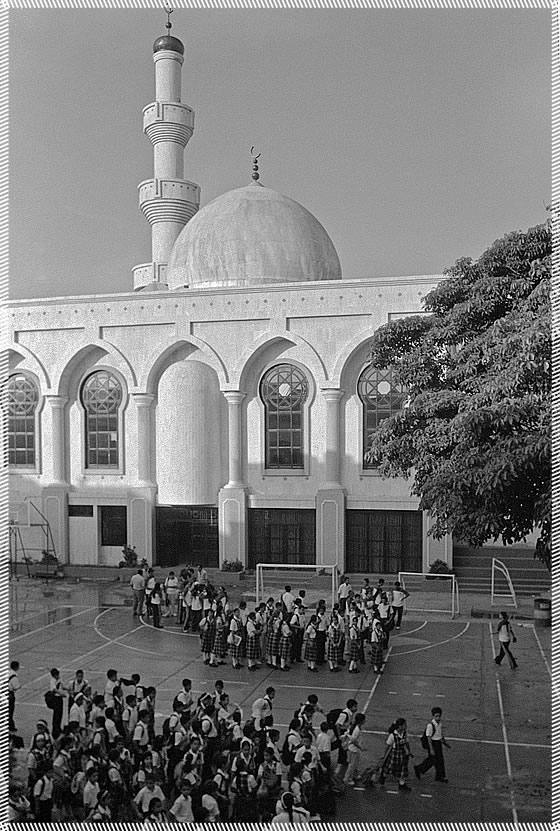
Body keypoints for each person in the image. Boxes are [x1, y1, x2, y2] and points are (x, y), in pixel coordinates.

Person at [414, 706, 451, 782]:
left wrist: (444, 742)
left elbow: (440, 734)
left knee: (439, 761)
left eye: (439, 716)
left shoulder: (439, 724)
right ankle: (420, 769)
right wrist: (431, 749)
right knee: (433, 760)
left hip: (438, 743)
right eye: (436, 716)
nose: (438, 718)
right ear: (433, 716)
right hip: (433, 744)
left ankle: (440, 776)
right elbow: (428, 737)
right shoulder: (430, 725)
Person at [380, 717, 412, 791]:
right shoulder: (393, 735)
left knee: (403, 769)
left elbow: (407, 743)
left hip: (403, 754)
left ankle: (402, 784)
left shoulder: (405, 734)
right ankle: (383, 775)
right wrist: (384, 755)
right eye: (404, 725)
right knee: (390, 768)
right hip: (395, 754)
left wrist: (409, 751)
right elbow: (388, 746)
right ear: (400, 726)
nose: (406, 726)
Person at [343, 712, 365, 786]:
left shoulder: (355, 727)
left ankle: (354, 775)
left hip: (352, 749)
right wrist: (360, 747)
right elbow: (353, 740)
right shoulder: (356, 730)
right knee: (352, 764)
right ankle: (347, 778)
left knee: (355, 762)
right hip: (353, 749)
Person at [48, 667, 66, 739]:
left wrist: (68, 689)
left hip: (60, 699)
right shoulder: (53, 681)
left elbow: (63, 686)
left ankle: (58, 728)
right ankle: (55, 731)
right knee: (56, 716)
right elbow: (54, 689)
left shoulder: (59, 680)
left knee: (60, 714)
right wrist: (61, 694)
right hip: (56, 699)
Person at [8, 660, 20, 732]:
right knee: (10, 711)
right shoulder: (14, 676)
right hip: (9, 695)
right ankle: (10, 726)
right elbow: (16, 687)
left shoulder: (7, 673)